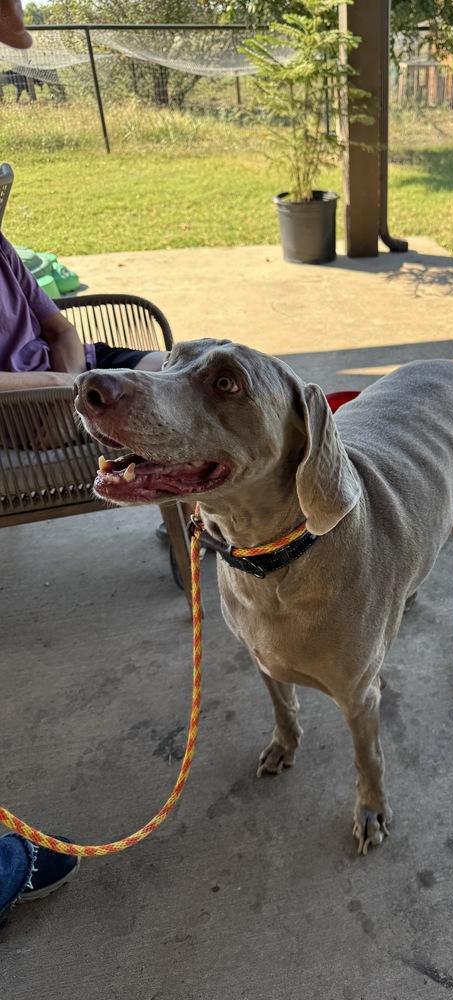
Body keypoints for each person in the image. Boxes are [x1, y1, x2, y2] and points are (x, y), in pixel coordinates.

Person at [0, 0, 164, 920]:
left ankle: (245, 482)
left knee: (194, 365)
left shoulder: (3, 250)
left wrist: (80, 379)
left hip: (68, 382)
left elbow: (63, 328)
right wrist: (69, 403)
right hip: (23, 419)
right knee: (169, 410)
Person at [0, 232, 166, 392]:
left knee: (181, 370)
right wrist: (63, 389)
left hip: (75, 367)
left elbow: (61, 330)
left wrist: (75, 387)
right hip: (25, 403)